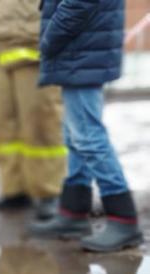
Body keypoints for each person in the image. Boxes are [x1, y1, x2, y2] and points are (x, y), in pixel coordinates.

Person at [29, 0, 144, 252]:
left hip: (81, 49)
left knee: (88, 137)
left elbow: (80, 3)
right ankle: (73, 213)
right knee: (75, 135)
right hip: (82, 49)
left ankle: (123, 219)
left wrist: (49, 39)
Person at [0, 0, 66, 219]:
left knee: (41, 124)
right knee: (4, 128)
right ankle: (14, 190)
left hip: (34, 50)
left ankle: (50, 192)